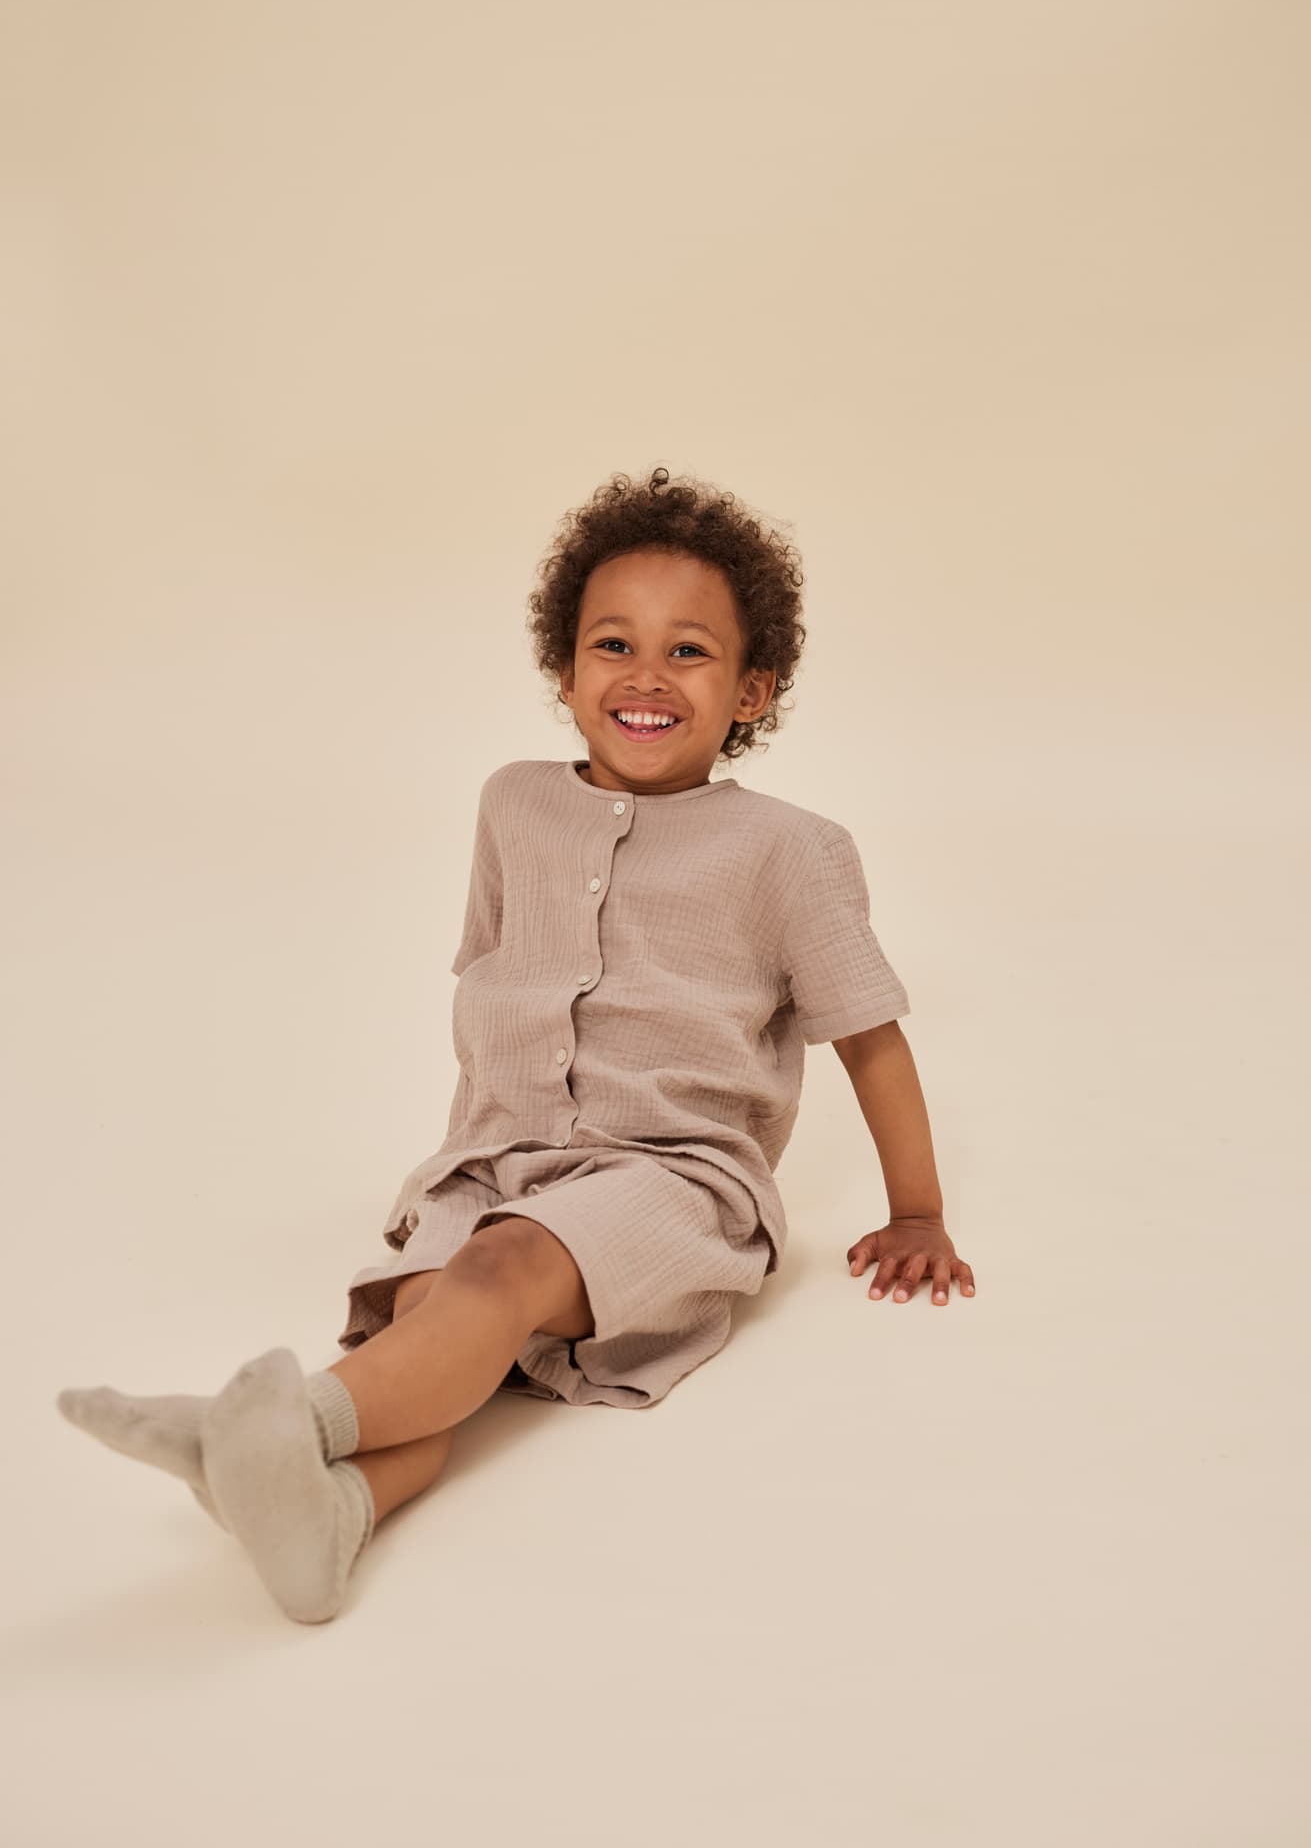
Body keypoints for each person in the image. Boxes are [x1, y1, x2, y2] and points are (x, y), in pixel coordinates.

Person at [56, 464, 975, 1626]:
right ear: (564, 670)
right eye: (612, 644)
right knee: (438, 1329)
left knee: (493, 1279)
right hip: (499, 1161)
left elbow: (869, 1036)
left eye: (689, 651)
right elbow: (497, 991)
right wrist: (471, 1169)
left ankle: (276, 1423)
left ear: (753, 687)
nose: (646, 675)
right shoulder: (512, 804)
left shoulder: (790, 850)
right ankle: (331, 1515)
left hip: (669, 1174)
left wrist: (918, 1211)